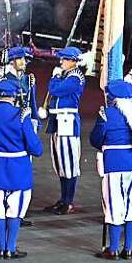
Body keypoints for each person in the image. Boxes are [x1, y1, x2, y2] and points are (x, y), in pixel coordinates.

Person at [0, 77, 45, 259]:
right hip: (18, 165)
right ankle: (11, 247)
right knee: (16, 207)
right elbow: (35, 148)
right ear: (15, 95)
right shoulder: (21, 114)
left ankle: (1, 247)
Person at [89, 79, 132, 260]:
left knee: (115, 205)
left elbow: (96, 139)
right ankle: (128, 248)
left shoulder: (106, 114)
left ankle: (113, 248)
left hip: (115, 163)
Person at [42, 47, 86, 215]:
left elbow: (55, 90)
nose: (61, 62)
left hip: (67, 121)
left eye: (64, 59)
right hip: (58, 120)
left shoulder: (75, 77)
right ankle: (63, 199)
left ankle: (68, 201)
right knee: (60, 163)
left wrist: (55, 77)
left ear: (73, 61)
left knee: (68, 162)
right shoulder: (67, 75)